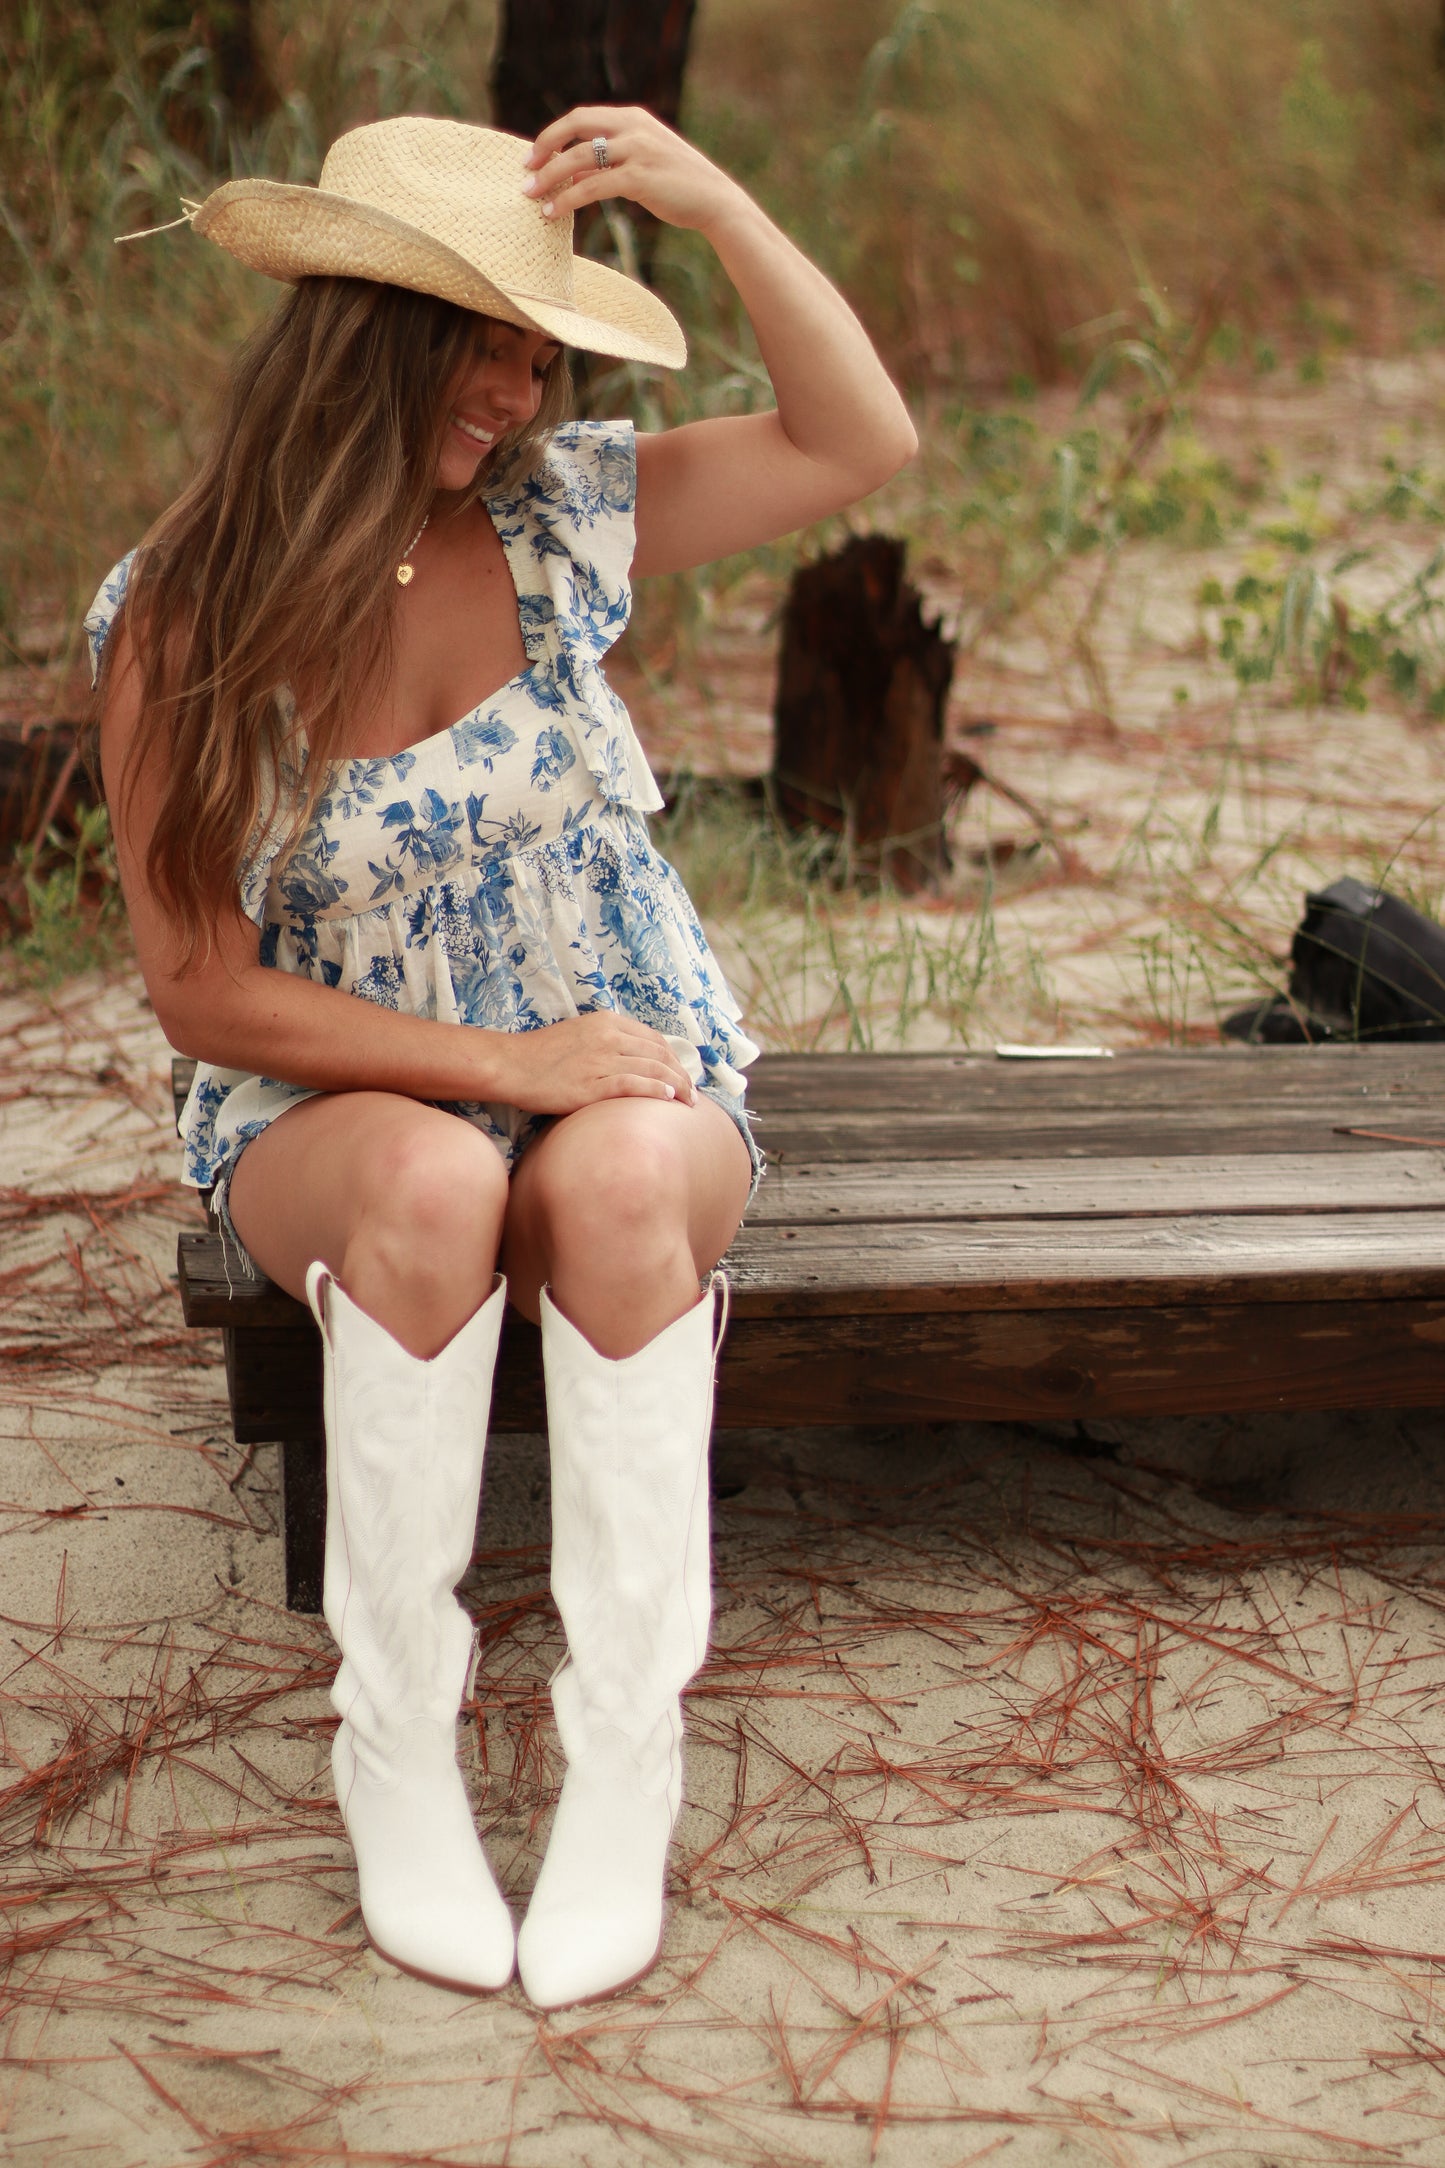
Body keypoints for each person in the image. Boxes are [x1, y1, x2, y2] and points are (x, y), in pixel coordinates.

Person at [89, 105, 916, 2008]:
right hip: (337, 1090)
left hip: (612, 1055)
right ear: (370, 327)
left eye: (541, 346)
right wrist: (493, 1065)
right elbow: (199, 991)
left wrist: (709, 195)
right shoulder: (190, 612)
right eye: (489, 337)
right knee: (439, 1174)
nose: (524, 384)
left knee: (615, 1175)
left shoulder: (559, 514)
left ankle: (622, 1756)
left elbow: (856, 439)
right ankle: (397, 1747)